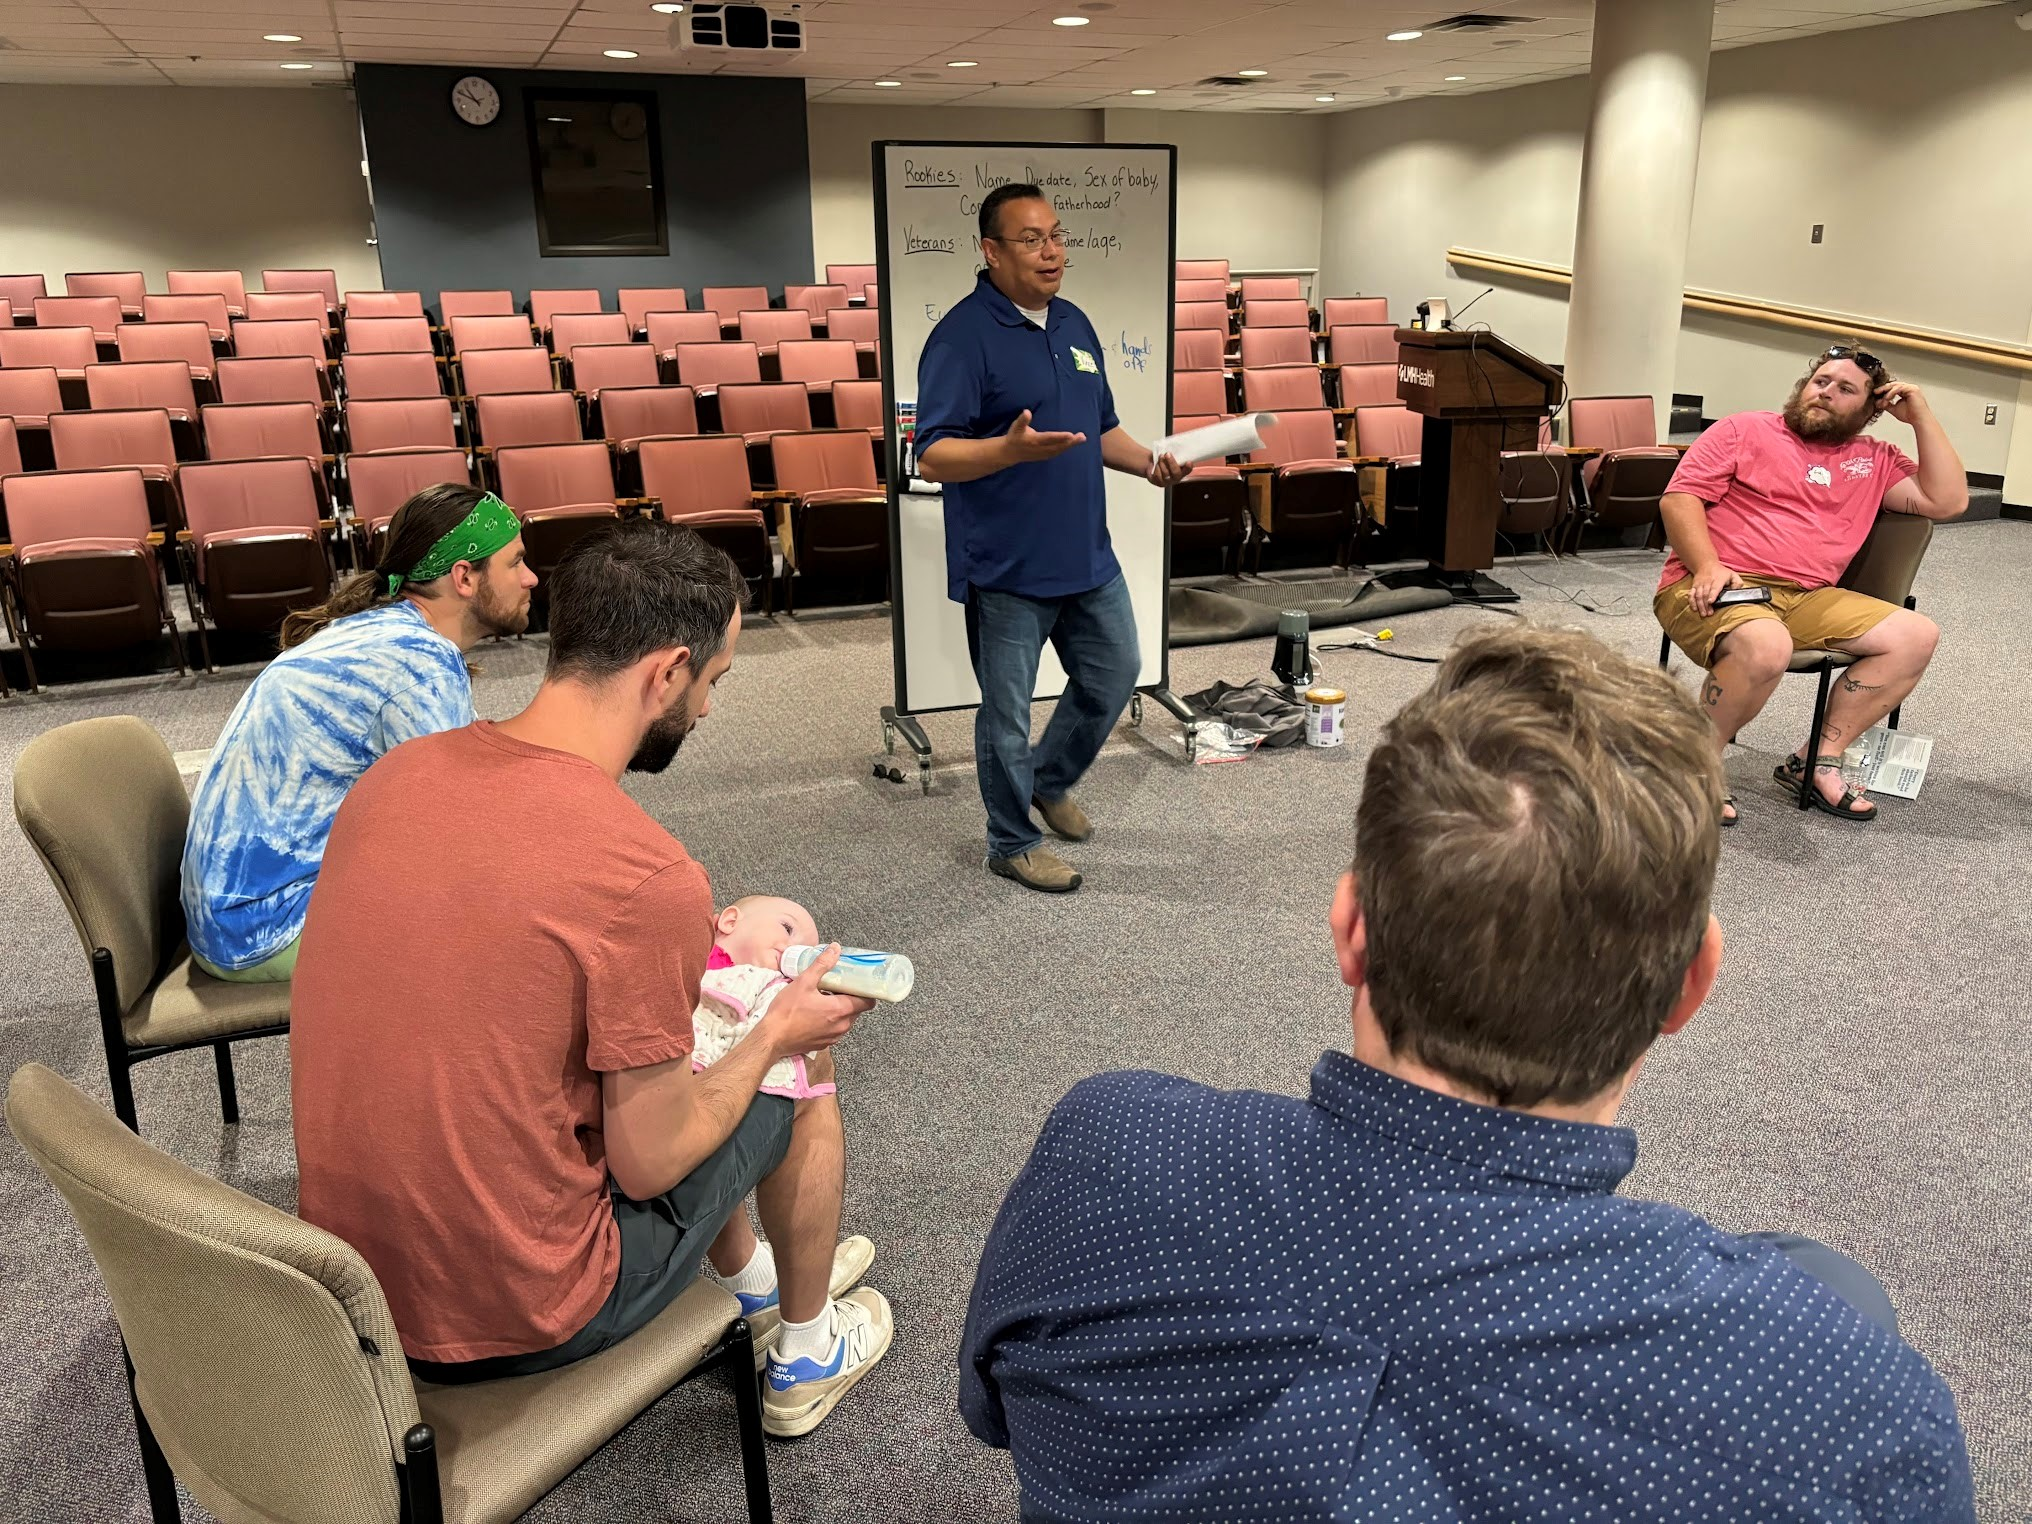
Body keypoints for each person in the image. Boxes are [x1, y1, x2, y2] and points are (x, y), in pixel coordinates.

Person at [959, 624, 1973, 1522]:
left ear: (1351, 930)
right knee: (1830, 1285)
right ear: (1688, 985)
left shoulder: (1106, 1150)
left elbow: (992, 1413)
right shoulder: (1846, 1405)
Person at [291, 520, 893, 1439]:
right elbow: (651, 1159)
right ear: (666, 672)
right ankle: (807, 1353)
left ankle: (752, 1281)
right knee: (793, 1073)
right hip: (521, 1320)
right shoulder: (645, 877)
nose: (707, 711)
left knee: (684, 1053)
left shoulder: (396, 777)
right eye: (713, 683)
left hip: (347, 1294)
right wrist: (775, 1030)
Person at [915, 182, 1189, 894]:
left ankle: (1048, 779)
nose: (1052, 251)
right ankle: (1010, 841)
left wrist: (1149, 462)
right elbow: (932, 455)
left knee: (1114, 673)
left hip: (1086, 556)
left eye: (1057, 236)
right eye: (1032, 239)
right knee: (1006, 714)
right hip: (1005, 567)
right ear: (991, 251)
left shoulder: (1072, 322)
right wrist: (1004, 451)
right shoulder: (960, 337)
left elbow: (1098, 428)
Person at [180, 484, 537, 981]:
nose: (532, 578)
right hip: (265, 927)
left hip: (232, 912)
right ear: (464, 577)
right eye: (516, 563)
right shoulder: (421, 663)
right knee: (507, 926)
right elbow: (460, 828)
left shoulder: (386, 628)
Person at [1655, 344, 1966, 825]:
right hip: (1714, 582)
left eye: (1846, 389)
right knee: (1765, 643)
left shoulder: (1875, 458)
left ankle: (1816, 759)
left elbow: (1947, 502)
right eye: (1821, 381)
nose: (1825, 392)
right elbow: (1680, 499)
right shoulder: (1744, 429)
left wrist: (1921, 416)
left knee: (1916, 635)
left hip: (1808, 597)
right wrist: (1708, 564)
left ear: (1870, 410)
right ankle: (1695, 764)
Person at [693, 894, 835, 1100]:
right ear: (730, 921)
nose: (794, 949)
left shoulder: (773, 988)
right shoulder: (690, 951)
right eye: (787, 928)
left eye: (804, 952)